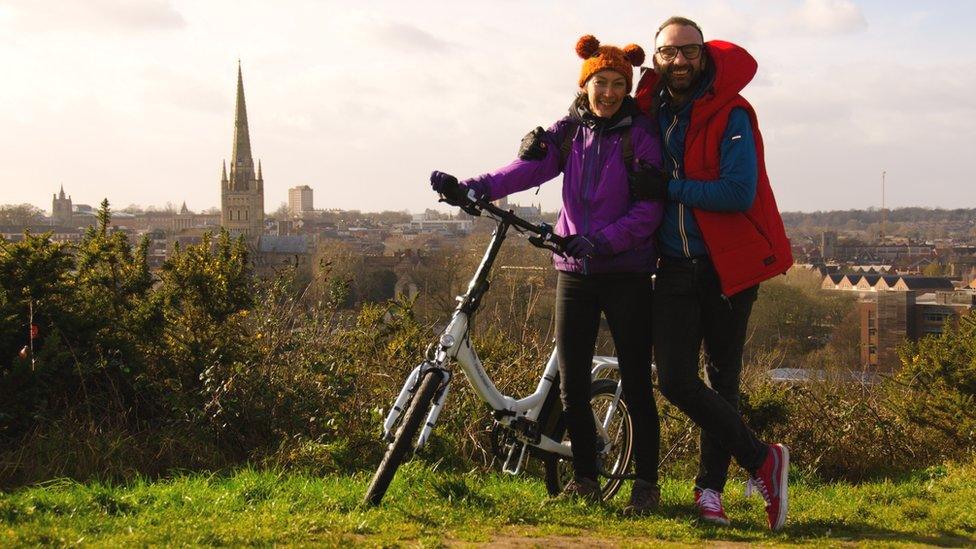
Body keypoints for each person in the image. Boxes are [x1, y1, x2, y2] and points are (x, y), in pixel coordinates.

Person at [430, 35, 665, 515]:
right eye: (602, 82)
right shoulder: (569, 132)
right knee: (571, 384)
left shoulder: (641, 137)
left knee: (638, 381)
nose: (610, 92)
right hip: (575, 269)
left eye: (620, 84)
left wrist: (602, 240)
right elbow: (524, 171)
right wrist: (469, 187)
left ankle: (646, 484)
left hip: (626, 272)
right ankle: (584, 481)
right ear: (586, 84)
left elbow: (649, 211)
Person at [631, 16, 793, 531]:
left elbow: (736, 192)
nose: (679, 61)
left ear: (705, 55)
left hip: (729, 267)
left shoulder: (734, 113)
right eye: (668, 53)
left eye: (689, 52)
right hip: (673, 266)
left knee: (724, 381)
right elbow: (598, 116)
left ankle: (709, 492)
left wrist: (670, 187)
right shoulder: (649, 112)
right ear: (655, 60)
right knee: (675, 379)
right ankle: (764, 459)